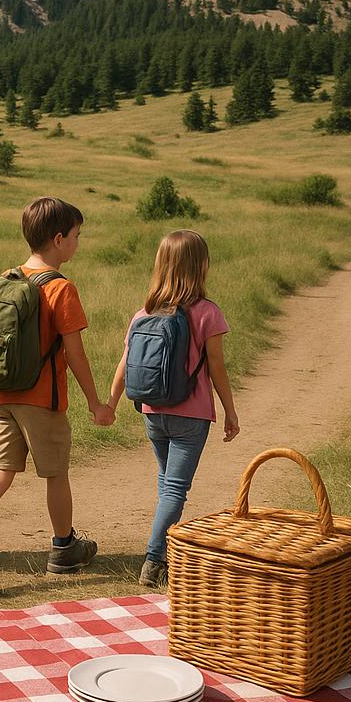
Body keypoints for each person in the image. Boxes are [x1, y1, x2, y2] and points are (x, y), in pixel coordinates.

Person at [0, 197, 113, 597]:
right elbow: (75, 354)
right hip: (42, 399)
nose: (77, 242)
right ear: (58, 239)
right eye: (75, 236)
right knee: (55, 473)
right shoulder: (60, 288)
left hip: (0, 394)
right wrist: (96, 403)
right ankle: (63, 546)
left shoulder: (8, 276)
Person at [105, 229, 239, 588]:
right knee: (175, 488)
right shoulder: (207, 313)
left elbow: (125, 361)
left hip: (152, 410)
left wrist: (112, 402)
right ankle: (154, 559)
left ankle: (163, 553)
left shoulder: (143, 313)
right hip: (191, 415)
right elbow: (217, 368)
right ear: (202, 266)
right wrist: (230, 410)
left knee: (167, 485)